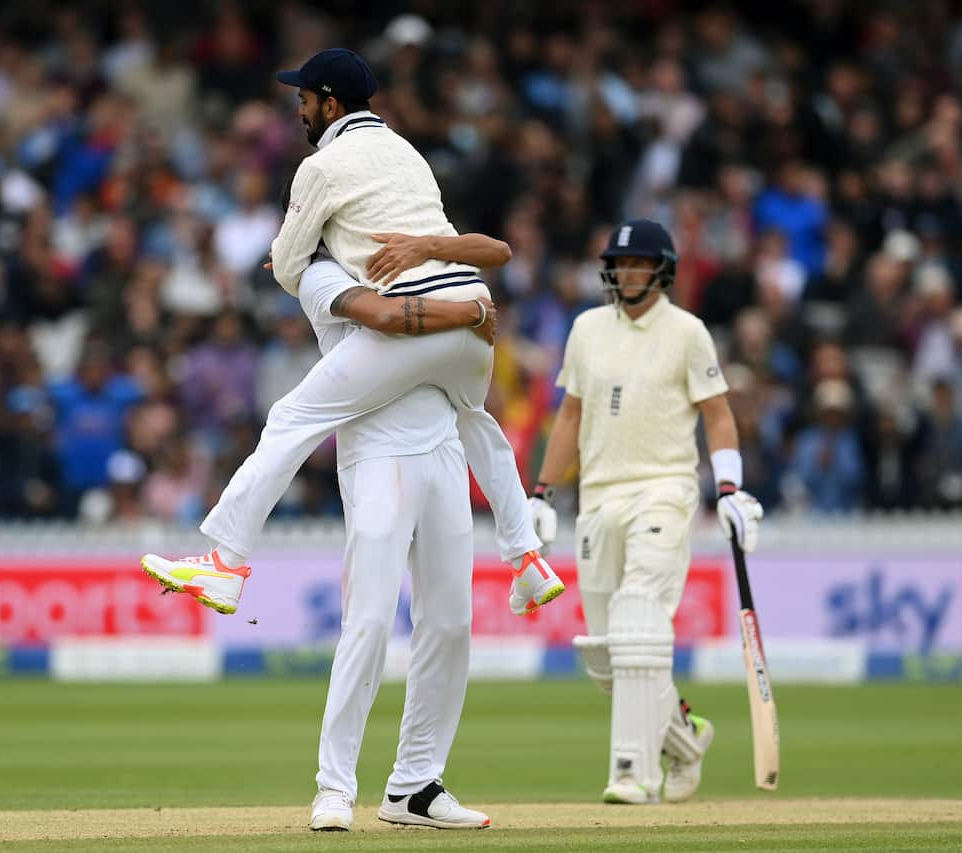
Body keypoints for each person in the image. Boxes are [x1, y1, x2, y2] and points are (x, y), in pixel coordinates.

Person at [141, 48, 564, 620]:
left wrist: (304, 256)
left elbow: (289, 266)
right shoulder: (407, 153)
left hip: (413, 322)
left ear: (330, 103)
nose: (299, 111)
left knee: (293, 419)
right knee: (477, 422)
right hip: (474, 311)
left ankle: (225, 562)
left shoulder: (321, 167)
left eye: (304, 100)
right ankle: (528, 559)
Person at [527, 219, 765, 804]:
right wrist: (539, 493)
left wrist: (730, 488)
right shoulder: (585, 329)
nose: (629, 273)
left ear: (662, 270)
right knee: (608, 657)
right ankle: (686, 738)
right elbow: (569, 417)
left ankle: (634, 774)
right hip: (599, 498)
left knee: (638, 615)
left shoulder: (688, 333)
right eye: (621, 264)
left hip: (665, 488)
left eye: (640, 264)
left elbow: (718, 415)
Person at [297, 255, 495, 831]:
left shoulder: (418, 255)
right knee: (371, 619)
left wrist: (433, 262)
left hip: (443, 445)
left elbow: (492, 256)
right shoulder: (320, 273)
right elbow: (384, 317)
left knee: (452, 621)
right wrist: (471, 310)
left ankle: (415, 786)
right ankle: (334, 787)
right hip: (376, 448)